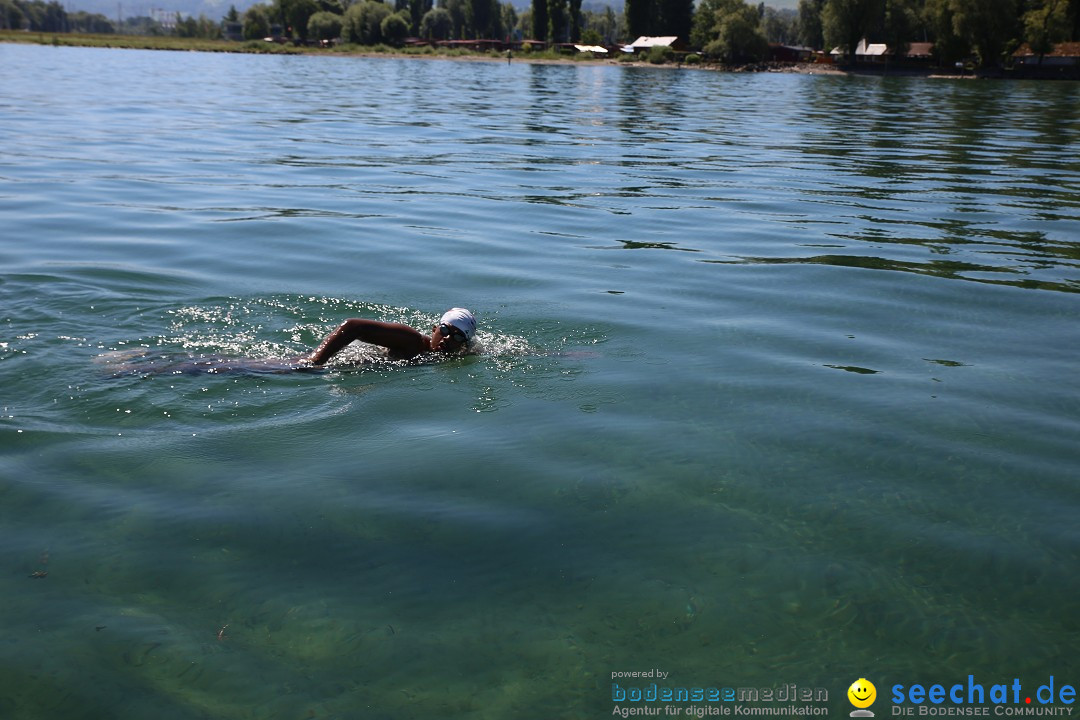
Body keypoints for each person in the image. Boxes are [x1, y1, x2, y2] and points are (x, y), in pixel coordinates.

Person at [307, 307, 477, 365]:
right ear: (434, 329)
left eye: (458, 337)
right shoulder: (412, 341)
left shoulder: (448, 356)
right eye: (445, 331)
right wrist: (314, 362)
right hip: (330, 365)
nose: (447, 339)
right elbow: (353, 326)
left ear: (463, 344)